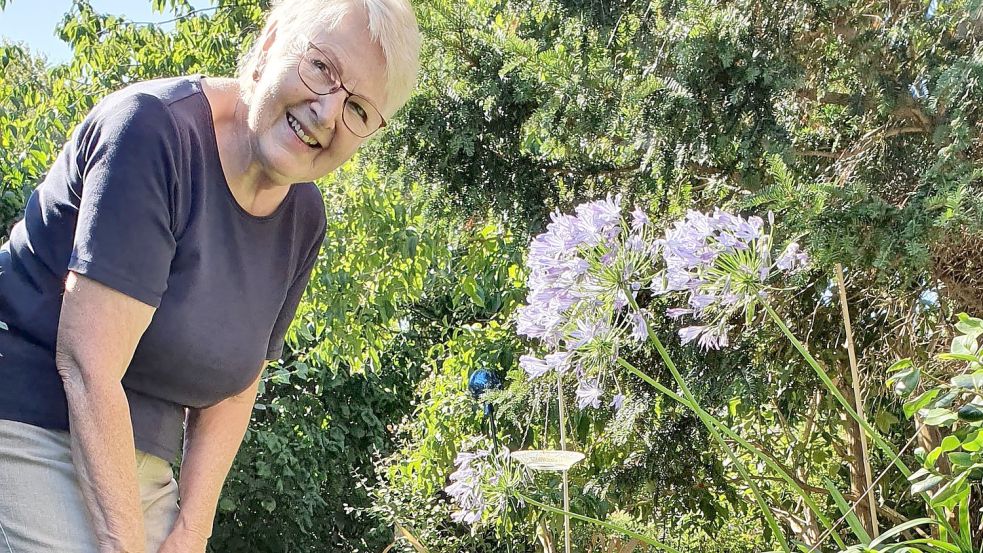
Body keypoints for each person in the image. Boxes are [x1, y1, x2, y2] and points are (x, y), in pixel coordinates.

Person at [0, 0, 420, 551]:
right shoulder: (152, 134)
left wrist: (191, 531)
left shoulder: (302, 217)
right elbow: (87, 366)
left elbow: (236, 386)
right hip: (29, 419)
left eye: (359, 109)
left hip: (142, 461)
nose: (326, 111)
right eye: (322, 67)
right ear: (272, 42)